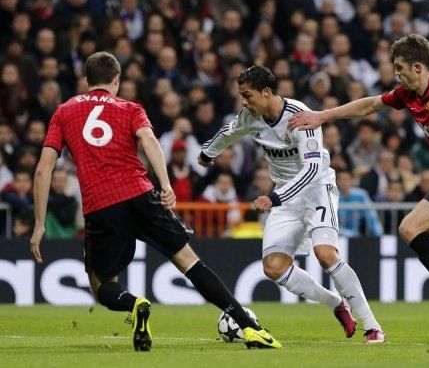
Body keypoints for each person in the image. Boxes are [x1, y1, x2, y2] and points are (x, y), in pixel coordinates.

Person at [29, 52, 281, 351]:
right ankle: (251, 328)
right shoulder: (131, 108)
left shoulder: (63, 111)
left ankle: (136, 305)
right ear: (117, 79)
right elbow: (149, 141)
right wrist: (165, 185)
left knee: (102, 285)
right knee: (190, 262)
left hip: (102, 204)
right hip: (141, 193)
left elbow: (44, 168)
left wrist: (39, 224)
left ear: (87, 80)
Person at [289, 34, 429, 341]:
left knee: (410, 227)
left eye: (399, 67)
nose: (396, 73)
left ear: (418, 67)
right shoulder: (408, 95)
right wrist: (323, 116)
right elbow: (369, 106)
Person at [199, 66, 385, 343]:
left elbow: (311, 170)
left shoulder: (301, 117)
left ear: (266, 92)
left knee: (325, 254)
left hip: (317, 191)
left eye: (247, 95)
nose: (243, 102)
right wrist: (207, 154)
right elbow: (229, 132)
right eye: (241, 96)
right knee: (274, 267)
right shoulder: (250, 116)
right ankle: (335, 303)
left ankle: (372, 326)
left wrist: (273, 198)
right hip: (285, 197)